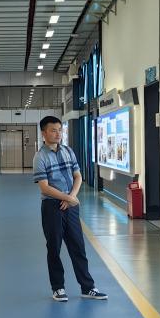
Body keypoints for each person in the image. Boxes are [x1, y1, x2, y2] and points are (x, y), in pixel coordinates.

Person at [34, 116, 107, 303]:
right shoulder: (40, 157)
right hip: (52, 207)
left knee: (78, 247)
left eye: (60, 130)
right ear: (44, 133)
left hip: (70, 205)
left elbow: (78, 176)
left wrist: (71, 197)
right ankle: (58, 288)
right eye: (53, 130)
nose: (58, 133)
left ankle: (88, 287)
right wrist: (67, 198)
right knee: (54, 248)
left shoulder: (68, 151)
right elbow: (44, 187)